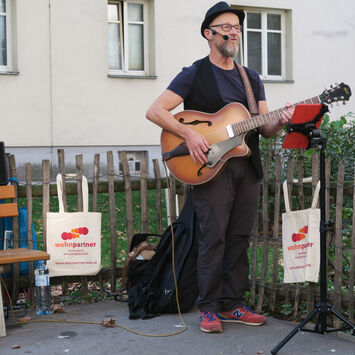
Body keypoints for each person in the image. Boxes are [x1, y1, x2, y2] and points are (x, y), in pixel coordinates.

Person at [146, 1, 294, 333]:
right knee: (212, 238)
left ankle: (233, 304)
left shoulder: (250, 78)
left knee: (240, 237)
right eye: (225, 27)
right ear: (208, 34)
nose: (233, 32)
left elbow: (264, 128)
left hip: (246, 166)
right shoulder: (194, 73)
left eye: (237, 28)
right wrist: (190, 135)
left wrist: (281, 121)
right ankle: (208, 307)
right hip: (209, 168)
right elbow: (156, 111)